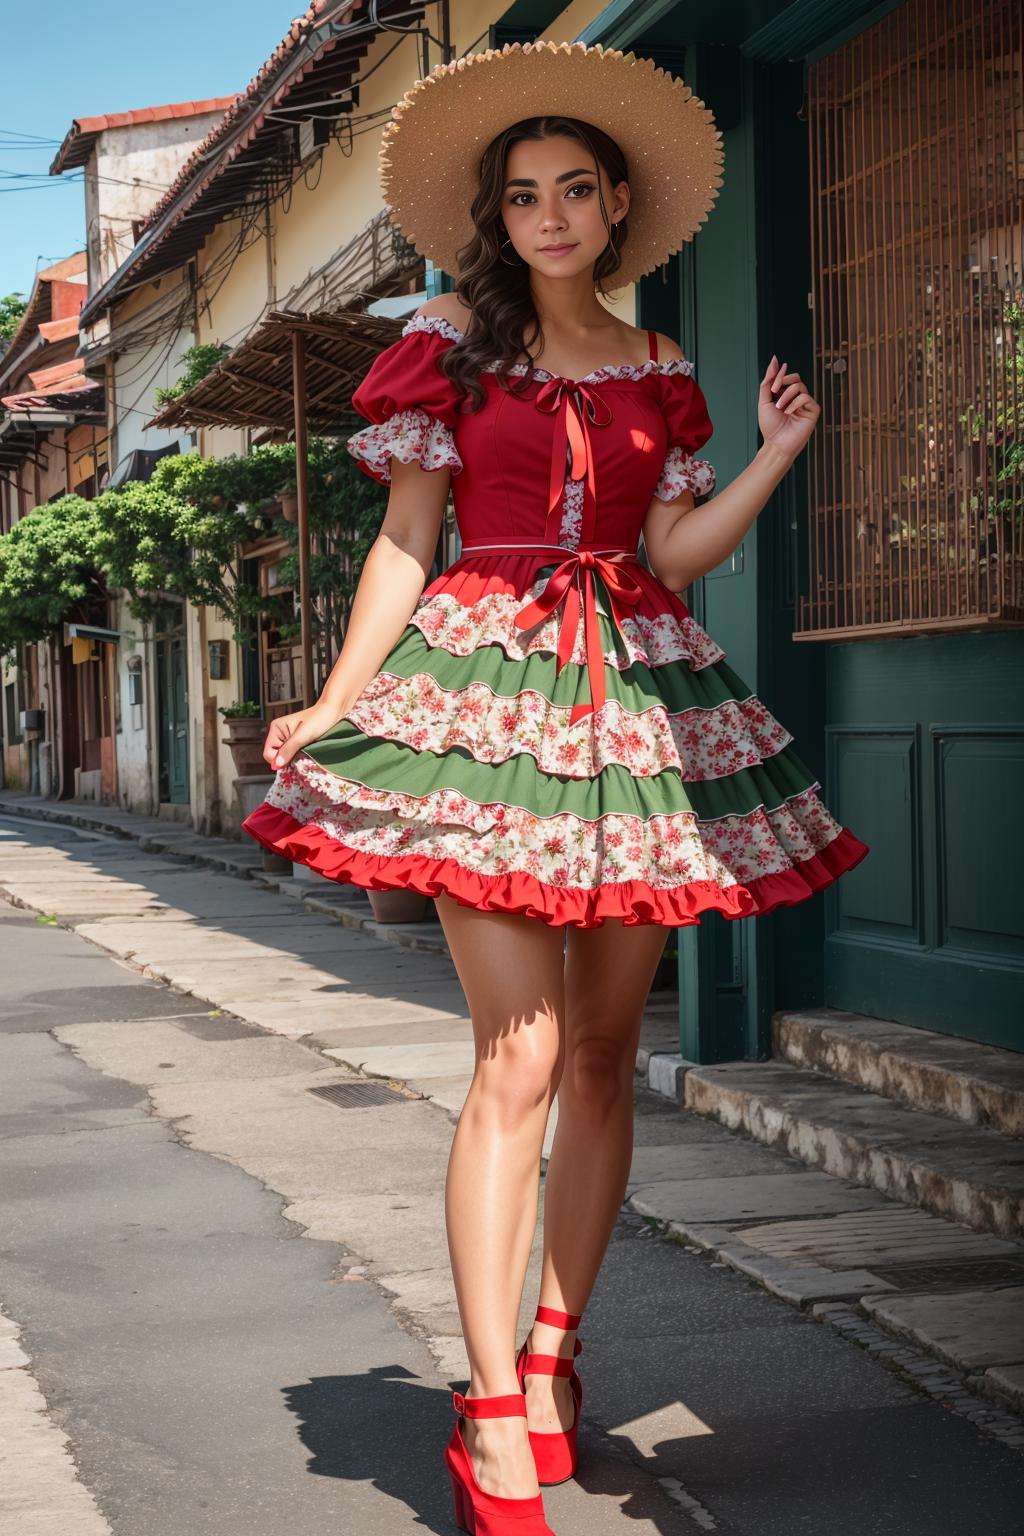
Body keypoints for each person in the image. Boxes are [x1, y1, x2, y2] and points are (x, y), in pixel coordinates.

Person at [242, 39, 869, 1536]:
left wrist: (776, 456)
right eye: (523, 195)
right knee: (512, 1057)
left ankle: (554, 1353)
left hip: (638, 708)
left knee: (600, 1057)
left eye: (575, 190)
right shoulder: (450, 343)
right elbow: (408, 540)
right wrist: (333, 704)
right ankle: (488, 1411)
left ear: (617, 206)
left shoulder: (660, 367)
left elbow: (665, 558)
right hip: (483, 692)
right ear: (496, 216)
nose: (550, 215)